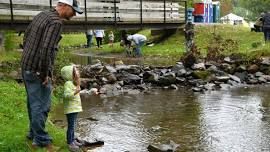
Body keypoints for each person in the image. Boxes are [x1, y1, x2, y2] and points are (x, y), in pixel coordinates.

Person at [21, 0, 83, 151]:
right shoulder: (56, 22)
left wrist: (28, 58)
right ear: (65, 6)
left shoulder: (42, 15)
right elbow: (46, 50)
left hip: (26, 66)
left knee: (33, 103)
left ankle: (33, 134)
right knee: (42, 106)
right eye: (73, 10)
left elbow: (26, 36)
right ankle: (42, 141)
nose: (74, 14)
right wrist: (44, 74)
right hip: (37, 71)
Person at [61, 65, 98, 151]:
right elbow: (66, 96)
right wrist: (75, 92)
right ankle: (70, 143)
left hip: (75, 108)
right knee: (71, 126)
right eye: (75, 71)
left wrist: (90, 92)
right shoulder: (68, 84)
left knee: (73, 125)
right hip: (70, 109)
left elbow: (79, 94)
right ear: (70, 74)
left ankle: (73, 140)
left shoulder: (73, 83)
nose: (78, 72)